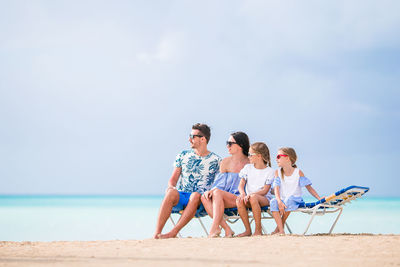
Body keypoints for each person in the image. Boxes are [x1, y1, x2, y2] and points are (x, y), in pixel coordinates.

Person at [153, 123, 221, 239]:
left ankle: (173, 232)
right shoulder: (183, 155)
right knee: (171, 192)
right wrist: (170, 186)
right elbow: (173, 179)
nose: (189, 139)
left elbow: (219, 183)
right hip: (183, 196)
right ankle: (157, 233)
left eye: (193, 136)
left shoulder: (216, 160)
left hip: (201, 201)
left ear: (203, 139)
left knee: (195, 195)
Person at [201, 132, 250, 238]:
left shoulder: (250, 162)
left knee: (217, 193)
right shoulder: (225, 162)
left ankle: (214, 228)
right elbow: (220, 184)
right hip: (225, 197)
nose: (227, 146)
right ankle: (227, 229)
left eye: (230, 143)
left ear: (240, 145)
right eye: (227, 143)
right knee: (204, 197)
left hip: (242, 199)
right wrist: (210, 191)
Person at [270, 147, 321, 235]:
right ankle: (281, 230)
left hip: (295, 199)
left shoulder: (298, 172)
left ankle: (278, 229)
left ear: (287, 158)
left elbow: (309, 187)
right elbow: (276, 188)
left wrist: (319, 198)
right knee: (273, 202)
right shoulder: (277, 172)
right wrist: (278, 201)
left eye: (279, 156)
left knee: (288, 200)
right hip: (283, 199)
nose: (276, 159)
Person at [236, 142, 274, 237]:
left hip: (264, 198)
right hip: (249, 198)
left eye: (250, 155)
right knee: (239, 200)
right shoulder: (247, 168)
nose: (248, 157)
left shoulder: (270, 171)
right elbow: (241, 186)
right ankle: (248, 230)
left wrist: (250, 195)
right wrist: (243, 194)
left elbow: (265, 191)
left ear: (259, 156)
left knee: (253, 197)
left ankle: (258, 230)